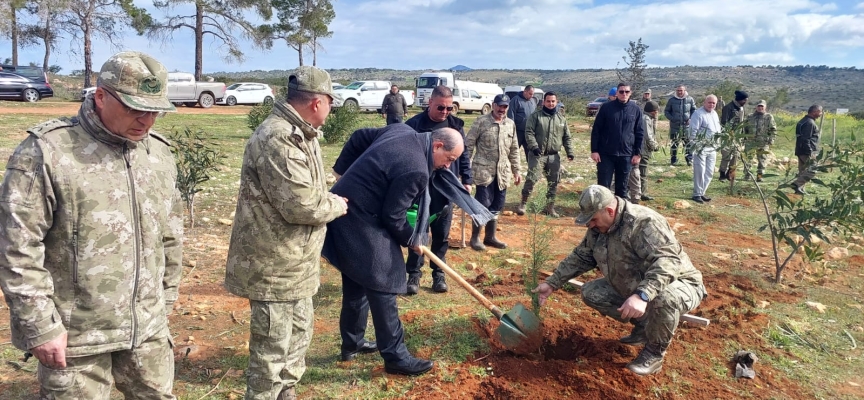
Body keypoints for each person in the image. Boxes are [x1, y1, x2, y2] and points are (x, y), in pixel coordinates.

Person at [0, 51, 182, 399]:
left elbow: (169, 235)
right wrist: (40, 326)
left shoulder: (158, 154)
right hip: (76, 338)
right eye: (134, 108)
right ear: (100, 96)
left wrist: (164, 301)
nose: (147, 120)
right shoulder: (48, 151)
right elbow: (16, 248)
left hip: (147, 331)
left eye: (155, 109)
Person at [224, 66, 348, 400]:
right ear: (318, 102)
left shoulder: (301, 134)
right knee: (271, 351)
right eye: (330, 104)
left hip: (295, 262)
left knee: (298, 336)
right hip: (273, 265)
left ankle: (286, 392)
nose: (330, 111)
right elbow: (302, 206)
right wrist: (337, 205)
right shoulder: (278, 137)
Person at [323, 127, 468, 377]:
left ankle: (352, 343)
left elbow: (360, 136)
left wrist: (344, 175)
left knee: (358, 279)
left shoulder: (401, 130)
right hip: (358, 216)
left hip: (345, 208)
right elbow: (393, 216)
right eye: (449, 159)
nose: (447, 167)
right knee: (384, 280)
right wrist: (413, 239)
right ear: (437, 146)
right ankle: (396, 357)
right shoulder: (416, 169)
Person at [532, 185, 706, 376]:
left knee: (664, 298)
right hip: (635, 282)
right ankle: (644, 327)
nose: (590, 225)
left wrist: (642, 295)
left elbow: (668, 261)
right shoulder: (599, 228)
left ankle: (654, 354)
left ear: (609, 210)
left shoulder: (644, 222)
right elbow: (582, 256)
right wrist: (552, 282)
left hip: (680, 284)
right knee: (592, 293)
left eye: (593, 220)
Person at [403, 85, 472, 294]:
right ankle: (414, 275)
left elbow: (464, 154)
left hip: (445, 188)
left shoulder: (456, 126)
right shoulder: (414, 125)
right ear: (429, 103)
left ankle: (438, 274)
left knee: (441, 234)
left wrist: (467, 179)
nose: (445, 112)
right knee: (419, 231)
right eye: (441, 107)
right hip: (420, 189)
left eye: (449, 108)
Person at [465, 94, 522, 251]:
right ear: (493, 105)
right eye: (499, 106)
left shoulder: (510, 124)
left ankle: (490, 237)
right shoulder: (481, 122)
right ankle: (475, 238)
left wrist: (516, 170)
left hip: (502, 173)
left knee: (497, 204)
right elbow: (468, 146)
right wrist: (463, 170)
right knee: (482, 204)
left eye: (505, 107)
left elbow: (514, 149)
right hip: (483, 171)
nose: (502, 109)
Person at [519, 91, 574, 218]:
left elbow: (567, 137)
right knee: (532, 178)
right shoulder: (535, 116)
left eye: (553, 101)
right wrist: (534, 146)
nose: (550, 103)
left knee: (553, 181)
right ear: (544, 102)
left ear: (556, 102)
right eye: (548, 101)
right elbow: (529, 132)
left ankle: (549, 207)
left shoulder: (561, 119)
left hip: (554, 156)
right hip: (537, 154)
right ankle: (523, 203)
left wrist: (570, 152)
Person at [590, 82, 644, 199]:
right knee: (603, 187)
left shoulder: (636, 110)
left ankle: (619, 214)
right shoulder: (606, 108)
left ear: (630, 93)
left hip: (626, 154)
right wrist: (594, 150)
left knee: (622, 188)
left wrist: (638, 153)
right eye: (621, 92)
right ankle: (602, 213)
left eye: (626, 92)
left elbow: (639, 132)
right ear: (617, 93)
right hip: (606, 154)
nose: (624, 94)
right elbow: (596, 130)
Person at [689, 95, 722, 204]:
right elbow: (693, 130)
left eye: (714, 103)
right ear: (705, 102)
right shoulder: (698, 114)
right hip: (701, 147)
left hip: (712, 147)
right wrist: (695, 145)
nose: (711, 105)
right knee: (700, 171)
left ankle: (702, 192)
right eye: (710, 102)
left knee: (709, 171)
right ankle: (697, 194)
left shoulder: (715, 114)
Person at [627, 101, 661, 203]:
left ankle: (639, 192)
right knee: (643, 171)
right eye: (656, 111)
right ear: (653, 111)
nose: (657, 113)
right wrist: (655, 146)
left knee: (640, 171)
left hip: (642, 148)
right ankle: (642, 193)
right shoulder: (645, 119)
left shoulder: (646, 117)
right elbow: (648, 136)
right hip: (643, 149)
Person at [743, 100, 777, 182]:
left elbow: (773, 129)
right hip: (750, 142)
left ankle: (759, 176)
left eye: (762, 106)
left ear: (765, 107)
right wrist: (744, 138)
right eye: (759, 106)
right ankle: (747, 175)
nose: (760, 108)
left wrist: (771, 140)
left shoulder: (769, 117)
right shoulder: (750, 116)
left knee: (762, 160)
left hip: (763, 142)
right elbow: (745, 128)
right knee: (748, 159)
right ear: (756, 107)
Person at [718, 90, 749, 181]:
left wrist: (743, 135)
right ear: (739, 99)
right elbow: (724, 122)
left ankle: (730, 174)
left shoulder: (742, 108)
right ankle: (722, 174)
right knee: (726, 156)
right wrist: (729, 133)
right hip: (728, 137)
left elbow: (742, 122)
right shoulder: (728, 107)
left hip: (738, 137)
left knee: (736, 156)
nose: (745, 102)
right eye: (744, 100)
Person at [793, 104, 823, 195]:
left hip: (800, 149)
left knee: (803, 171)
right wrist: (810, 152)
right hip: (806, 151)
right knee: (812, 169)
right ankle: (796, 184)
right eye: (820, 112)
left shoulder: (803, 121)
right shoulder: (809, 123)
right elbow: (806, 139)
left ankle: (799, 190)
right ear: (815, 112)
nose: (821, 114)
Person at [664, 85, 697, 166]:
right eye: (678, 90)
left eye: (681, 90)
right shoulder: (672, 100)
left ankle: (689, 160)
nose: (679, 92)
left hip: (686, 127)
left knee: (688, 144)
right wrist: (672, 118)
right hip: (675, 126)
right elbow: (666, 111)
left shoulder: (690, 99)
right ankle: (673, 160)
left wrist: (691, 119)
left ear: (684, 90)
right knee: (674, 144)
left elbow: (694, 110)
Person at [507, 85, 537, 155]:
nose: (532, 96)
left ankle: (531, 165)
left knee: (530, 153)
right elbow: (511, 116)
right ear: (525, 91)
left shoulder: (533, 101)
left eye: (533, 94)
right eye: (530, 94)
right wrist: (512, 130)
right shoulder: (515, 100)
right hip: (518, 132)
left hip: (529, 132)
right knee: (514, 151)